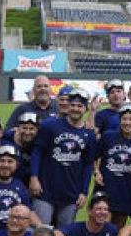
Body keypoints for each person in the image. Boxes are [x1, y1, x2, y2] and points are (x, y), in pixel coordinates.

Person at [30, 88, 98, 227]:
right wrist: (34, 178)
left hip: (71, 193)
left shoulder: (89, 134)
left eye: (79, 106)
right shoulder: (50, 126)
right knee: (42, 231)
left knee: (64, 234)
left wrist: (84, 192)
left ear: (85, 109)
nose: (75, 109)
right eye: (72, 105)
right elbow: (37, 152)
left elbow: (88, 164)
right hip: (45, 191)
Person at [94, 104, 131, 226]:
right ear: (119, 121)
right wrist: (97, 172)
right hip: (106, 187)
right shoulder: (108, 136)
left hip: (125, 191)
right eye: (124, 119)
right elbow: (95, 156)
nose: (127, 123)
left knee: (117, 228)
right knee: (100, 225)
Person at [2, 112, 39, 185]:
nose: (27, 132)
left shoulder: (39, 141)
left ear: (37, 130)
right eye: (24, 128)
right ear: (18, 128)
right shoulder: (7, 137)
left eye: (31, 129)